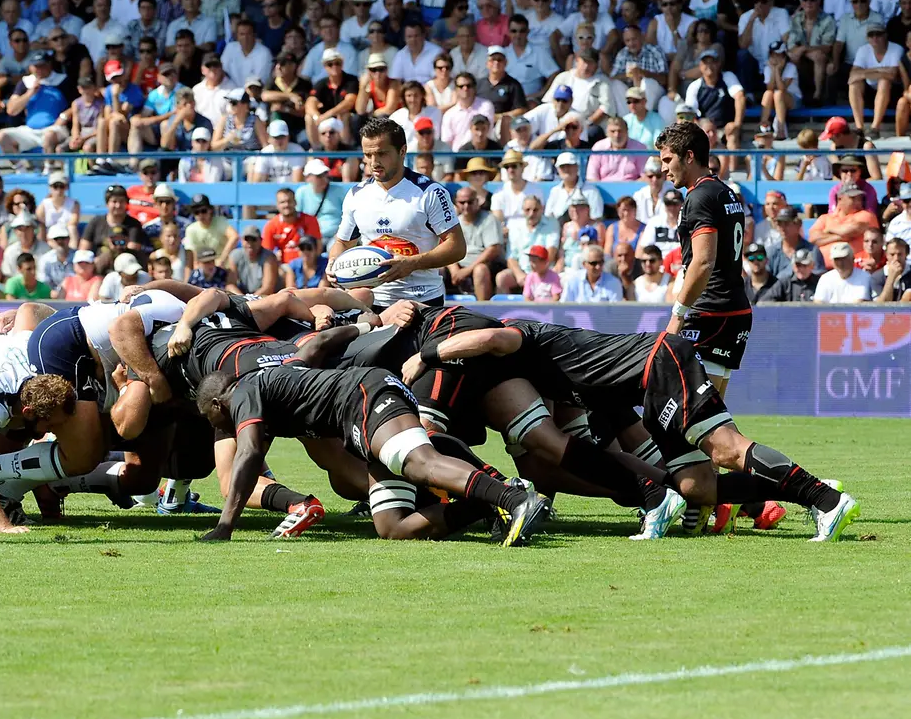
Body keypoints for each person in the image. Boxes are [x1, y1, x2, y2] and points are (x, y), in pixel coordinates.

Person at [422, 320, 861, 541]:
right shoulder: (542, 379)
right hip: (649, 383)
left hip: (662, 362)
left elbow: (493, 340)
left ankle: (826, 500)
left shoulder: (519, 335)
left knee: (725, 448)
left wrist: (429, 354)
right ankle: (809, 493)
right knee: (698, 485)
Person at [195, 365, 550, 544]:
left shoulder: (243, 390)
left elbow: (250, 452)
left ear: (216, 404)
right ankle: (486, 504)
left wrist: (226, 525)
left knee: (418, 462)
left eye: (209, 419)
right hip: (362, 412)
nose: (216, 426)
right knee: (393, 527)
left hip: (364, 396)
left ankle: (515, 497)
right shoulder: (263, 389)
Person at [656, 121, 753, 393]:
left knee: (686, 408)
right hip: (733, 310)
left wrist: (678, 313)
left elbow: (703, 261)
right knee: (711, 415)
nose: (663, 168)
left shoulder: (699, 197)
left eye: (667, 159)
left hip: (710, 312)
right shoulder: (725, 191)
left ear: (688, 156)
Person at [329, 117, 463, 310]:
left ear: (402, 151)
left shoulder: (431, 192)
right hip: (372, 300)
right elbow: (342, 242)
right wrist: (334, 263)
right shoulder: (356, 195)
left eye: (382, 154)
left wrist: (412, 263)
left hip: (422, 300)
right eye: (368, 155)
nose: (373, 163)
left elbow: (457, 246)